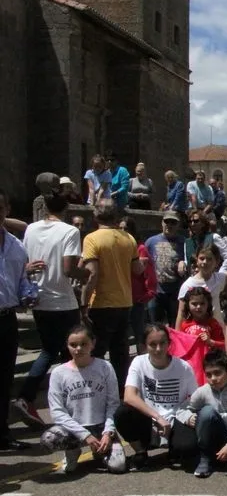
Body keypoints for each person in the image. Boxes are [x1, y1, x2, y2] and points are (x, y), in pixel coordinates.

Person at [14, 190, 85, 428]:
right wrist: (87, 274)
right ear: (66, 208)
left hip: (39, 299)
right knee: (66, 352)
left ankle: (58, 401)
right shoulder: (70, 231)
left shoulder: (32, 229)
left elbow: (25, 259)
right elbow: (69, 268)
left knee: (52, 350)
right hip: (63, 301)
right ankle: (29, 396)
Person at [40, 324, 126, 473]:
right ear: (67, 346)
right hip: (74, 430)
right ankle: (72, 450)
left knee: (118, 466)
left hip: (101, 427)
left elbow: (113, 403)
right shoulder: (58, 373)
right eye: (73, 345)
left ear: (93, 343)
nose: (78, 349)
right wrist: (85, 435)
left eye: (83, 344)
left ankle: (101, 450)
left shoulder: (105, 367)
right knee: (48, 439)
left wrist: (108, 432)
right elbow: (57, 411)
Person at [114, 324, 199, 470]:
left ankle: (174, 448)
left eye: (162, 343)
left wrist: (187, 416)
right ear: (144, 346)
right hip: (149, 420)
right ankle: (140, 451)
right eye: (153, 344)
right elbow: (129, 396)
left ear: (169, 343)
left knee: (187, 448)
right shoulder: (139, 362)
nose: (158, 349)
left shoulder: (183, 366)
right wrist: (157, 418)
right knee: (123, 412)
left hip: (176, 417)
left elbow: (196, 397)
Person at [81, 200, 143, 388]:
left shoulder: (91, 239)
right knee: (120, 351)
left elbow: (92, 274)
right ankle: (121, 390)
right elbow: (137, 269)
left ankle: (96, 389)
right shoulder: (128, 238)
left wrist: (84, 303)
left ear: (95, 215)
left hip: (101, 302)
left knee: (97, 350)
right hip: (124, 302)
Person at [177, 349, 227, 477]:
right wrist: (188, 417)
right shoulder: (203, 391)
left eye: (217, 373)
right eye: (208, 375)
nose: (213, 378)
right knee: (207, 412)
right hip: (215, 435)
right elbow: (181, 410)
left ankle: (224, 458)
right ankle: (206, 457)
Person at [119, 217, 157, 355]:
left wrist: (148, 293)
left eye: (126, 228)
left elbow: (149, 274)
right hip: (121, 297)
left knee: (139, 332)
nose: (123, 231)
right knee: (122, 332)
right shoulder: (118, 248)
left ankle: (143, 358)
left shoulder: (140, 248)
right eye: (120, 228)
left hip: (136, 298)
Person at [146, 212, 187, 325]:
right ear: (162, 223)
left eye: (173, 222)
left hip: (175, 292)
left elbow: (191, 260)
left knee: (175, 324)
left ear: (178, 225)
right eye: (167, 221)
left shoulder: (184, 242)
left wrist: (183, 263)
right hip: (155, 291)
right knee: (155, 325)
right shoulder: (151, 242)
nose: (169, 225)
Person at [176, 245, 226, 329]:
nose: (205, 262)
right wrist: (177, 335)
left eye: (209, 259)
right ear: (197, 260)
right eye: (202, 258)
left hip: (217, 329)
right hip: (196, 330)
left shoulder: (218, 278)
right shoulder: (188, 285)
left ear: (217, 262)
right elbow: (181, 314)